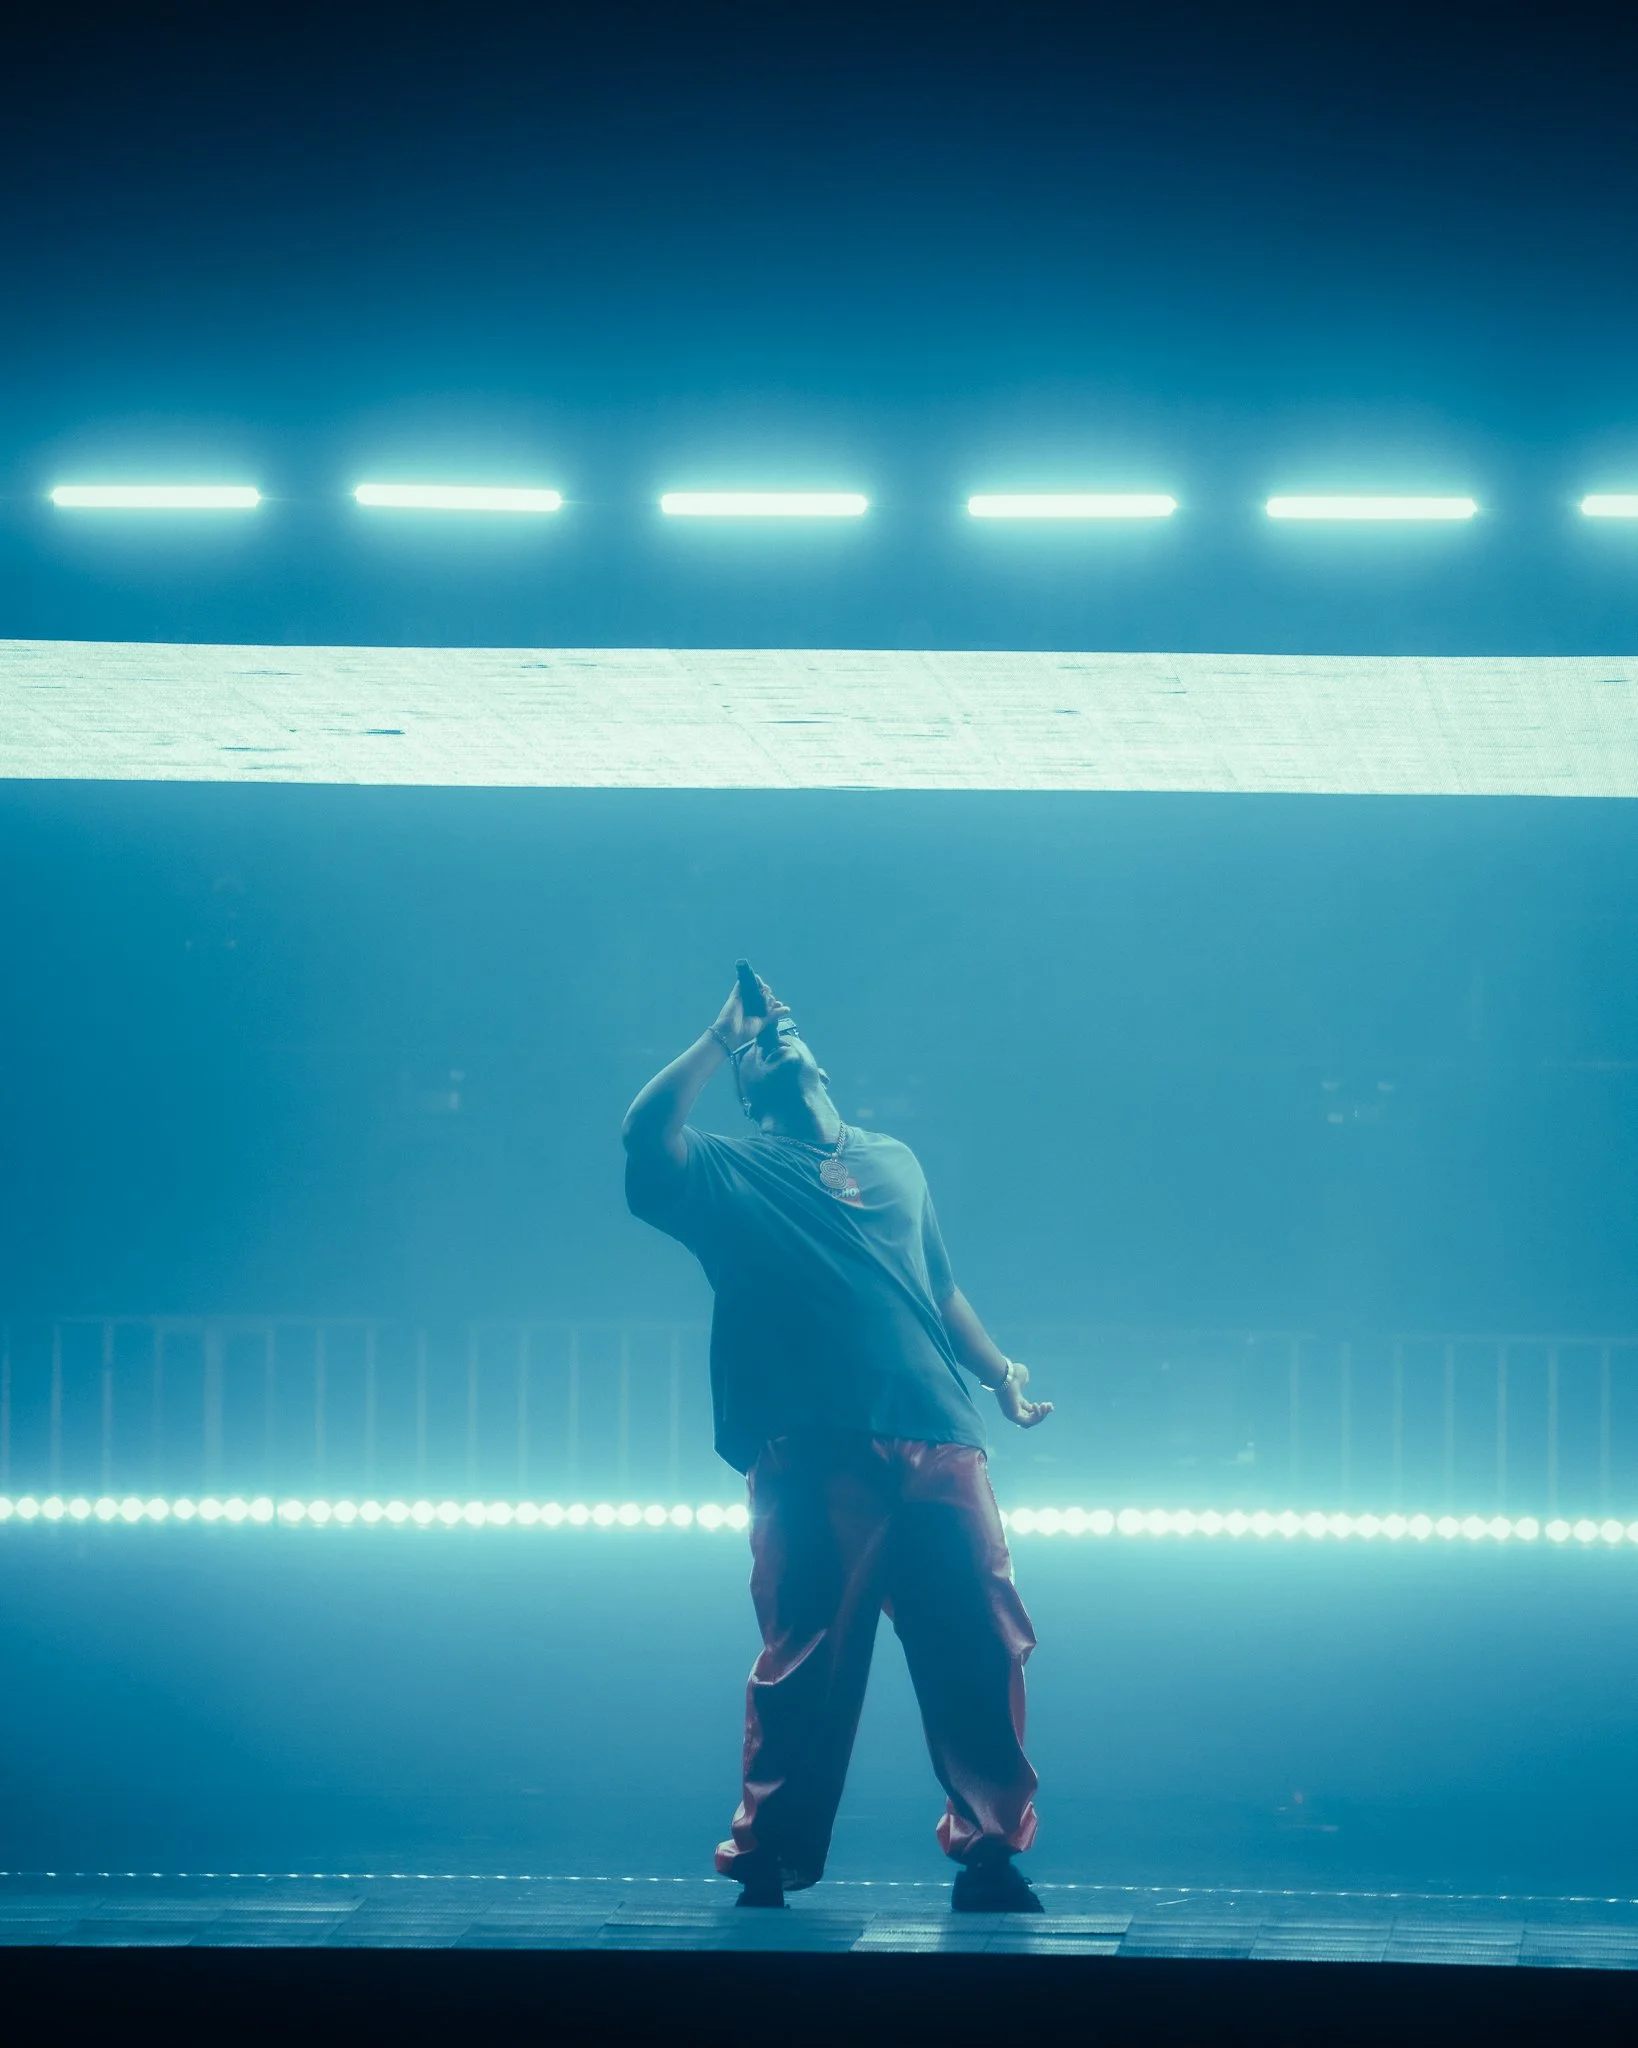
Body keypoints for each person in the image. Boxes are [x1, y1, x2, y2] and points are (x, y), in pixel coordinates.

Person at [622, 965, 1053, 1912]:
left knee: (984, 1641)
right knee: (810, 1651)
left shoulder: (898, 1161)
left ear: (817, 1058)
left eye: (786, 1029)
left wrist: (1000, 1375)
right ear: (744, 1089)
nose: (778, 1035)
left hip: (940, 1431)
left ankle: (989, 1851)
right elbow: (641, 1138)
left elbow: (938, 1288)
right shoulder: (729, 1168)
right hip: (810, 1443)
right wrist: (717, 1039)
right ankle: (769, 1859)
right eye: (758, 1047)